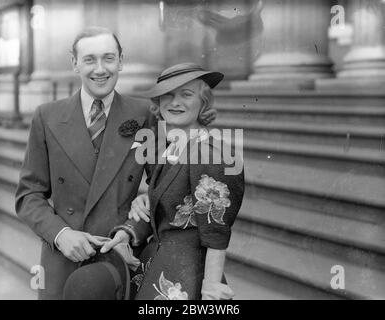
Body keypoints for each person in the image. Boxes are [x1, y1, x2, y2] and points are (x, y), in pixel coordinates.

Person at [15, 26, 152, 300]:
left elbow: (163, 187)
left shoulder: (143, 114)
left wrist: (132, 228)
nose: (100, 69)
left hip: (119, 257)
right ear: (74, 63)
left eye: (108, 58)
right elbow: (28, 195)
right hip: (63, 258)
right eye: (89, 59)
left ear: (121, 61)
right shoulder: (47, 117)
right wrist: (61, 234)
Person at [101, 62, 245, 300]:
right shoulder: (168, 148)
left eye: (186, 95)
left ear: (203, 103)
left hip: (189, 276)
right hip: (155, 264)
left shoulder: (211, 154)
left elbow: (216, 231)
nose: (174, 102)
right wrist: (130, 228)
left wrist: (211, 286)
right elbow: (166, 205)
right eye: (166, 95)